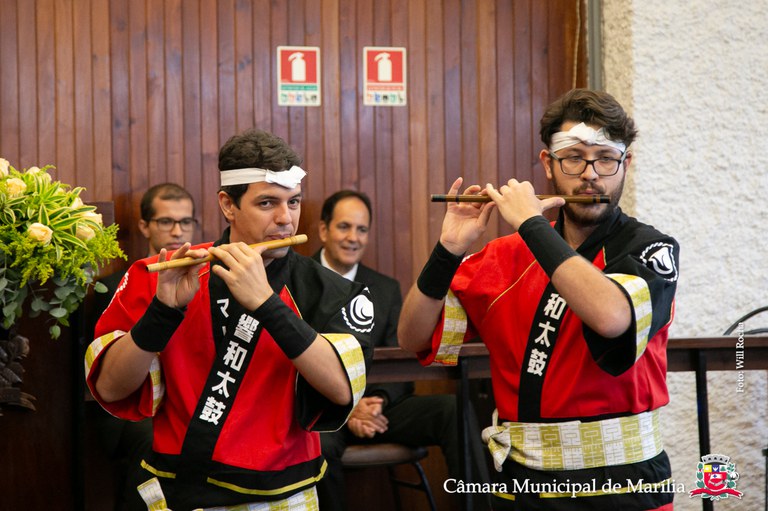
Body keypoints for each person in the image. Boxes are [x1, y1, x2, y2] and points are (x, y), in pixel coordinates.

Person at [398, 89, 679, 510]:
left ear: (626, 164)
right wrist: (447, 251)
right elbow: (413, 336)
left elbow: (612, 317)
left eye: (606, 158)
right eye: (573, 158)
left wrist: (531, 224)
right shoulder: (503, 258)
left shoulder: (650, 249)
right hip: (522, 486)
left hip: (624, 486)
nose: (590, 175)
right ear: (548, 163)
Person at [85, 129, 374, 511]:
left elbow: (342, 389)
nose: (285, 218)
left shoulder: (330, 290)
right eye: (267, 203)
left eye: (293, 201)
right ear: (228, 205)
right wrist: (162, 313)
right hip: (180, 488)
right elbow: (109, 387)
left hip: (285, 491)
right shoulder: (162, 274)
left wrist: (266, 304)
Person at [312, 190, 460, 510]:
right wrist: (348, 408)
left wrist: (375, 403)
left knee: (451, 410)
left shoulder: (385, 288)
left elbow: (400, 358)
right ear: (323, 230)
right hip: (320, 412)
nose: (353, 238)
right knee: (316, 443)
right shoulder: (297, 278)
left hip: (377, 407)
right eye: (344, 227)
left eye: (362, 229)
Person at [89, 183, 197, 511]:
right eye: (166, 221)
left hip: (191, 395)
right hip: (131, 405)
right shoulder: (111, 287)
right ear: (144, 226)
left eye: (186, 222)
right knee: (152, 437)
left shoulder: (204, 280)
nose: (177, 231)